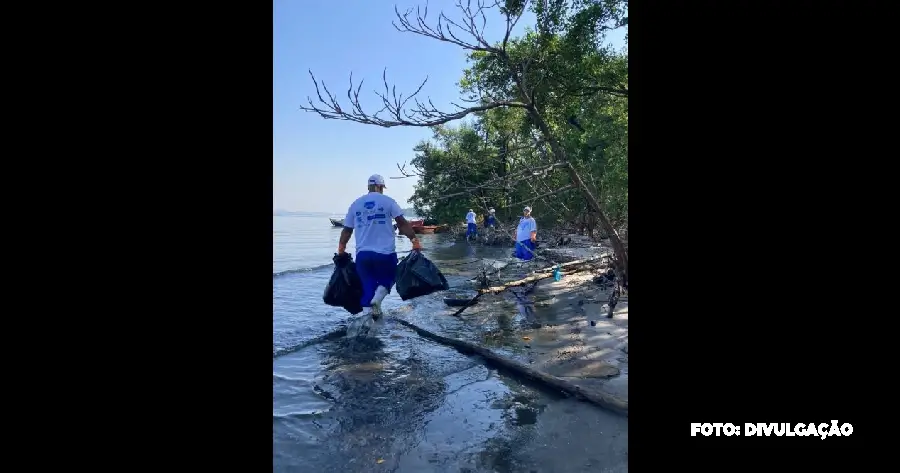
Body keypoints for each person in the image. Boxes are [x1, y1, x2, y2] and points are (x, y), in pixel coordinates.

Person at [338, 174, 421, 321]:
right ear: (380, 186)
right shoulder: (388, 202)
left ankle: (366, 321)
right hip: (385, 254)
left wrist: (341, 248)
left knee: (367, 284)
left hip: (363, 255)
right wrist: (414, 240)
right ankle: (377, 300)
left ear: (369, 186)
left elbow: (347, 230)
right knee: (389, 277)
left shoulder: (356, 204)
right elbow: (402, 223)